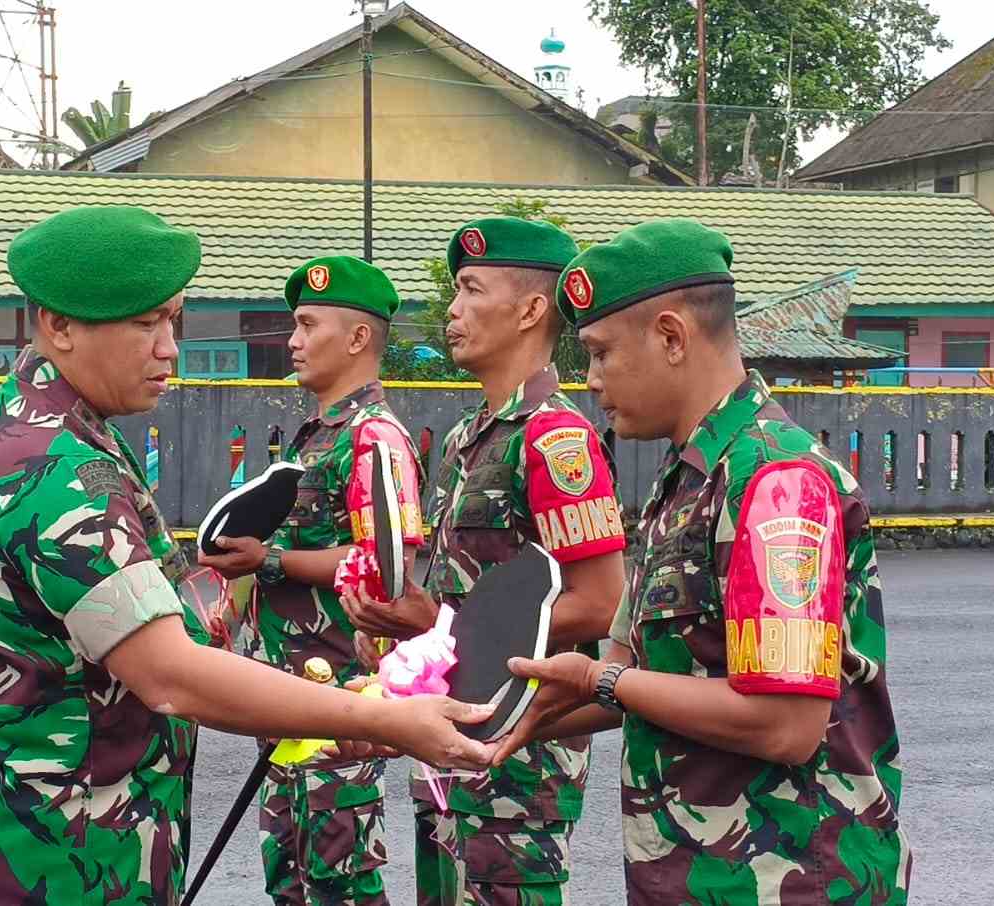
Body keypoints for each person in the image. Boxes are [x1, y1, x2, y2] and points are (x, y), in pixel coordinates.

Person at [0, 205, 497, 905]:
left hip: (69, 824)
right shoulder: (52, 466)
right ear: (58, 327)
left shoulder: (49, 427)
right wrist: (382, 719)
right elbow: (170, 676)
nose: (169, 348)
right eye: (146, 324)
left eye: (173, 320)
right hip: (66, 849)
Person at [490, 219, 911, 904]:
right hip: (691, 875)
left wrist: (599, 680)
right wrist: (484, 721)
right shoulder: (684, 481)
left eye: (599, 353)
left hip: (787, 881)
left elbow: (783, 723)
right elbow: (644, 678)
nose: (590, 380)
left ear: (669, 336)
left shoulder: (775, 480)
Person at [343, 217, 626, 906]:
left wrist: (437, 626)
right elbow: (468, 590)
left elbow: (597, 603)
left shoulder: (555, 438)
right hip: (451, 737)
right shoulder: (471, 436)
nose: (454, 310)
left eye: (471, 290)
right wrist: (402, 636)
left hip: (518, 756)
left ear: (530, 309)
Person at [199, 255, 424, 906]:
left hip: (340, 700)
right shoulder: (316, 437)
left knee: (339, 884)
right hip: (289, 695)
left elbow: (384, 566)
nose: (292, 340)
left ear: (357, 339)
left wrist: (268, 562)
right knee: (292, 880)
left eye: (306, 324)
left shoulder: (374, 439)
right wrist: (235, 603)